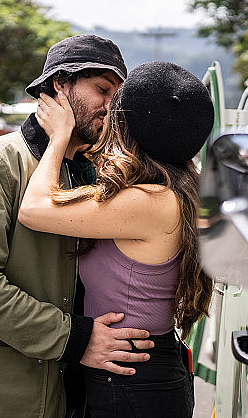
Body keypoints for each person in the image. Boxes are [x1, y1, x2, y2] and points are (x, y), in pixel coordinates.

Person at [0, 34, 155, 418]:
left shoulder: (101, 172)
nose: (111, 107)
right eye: (102, 89)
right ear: (60, 86)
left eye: (119, 97)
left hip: (75, 391)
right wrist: (77, 339)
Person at [18, 61, 215, 418]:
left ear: (127, 127)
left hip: (133, 378)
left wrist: (59, 138)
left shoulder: (147, 201)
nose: (106, 112)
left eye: (115, 106)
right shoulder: (176, 190)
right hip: (142, 369)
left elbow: (34, 210)